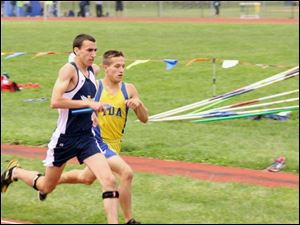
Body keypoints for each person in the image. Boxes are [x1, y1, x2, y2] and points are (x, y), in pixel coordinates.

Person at [1, 34, 120, 224]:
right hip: (65, 139)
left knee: (109, 180)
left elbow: (86, 99)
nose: (93, 54)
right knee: (47, 186)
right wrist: (90, 104)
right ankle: (15, 172)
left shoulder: (92, 71)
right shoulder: (68, 71)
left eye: (95, 50)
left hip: (87, 138)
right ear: (76, 51)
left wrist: (92, 112)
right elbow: (55, 102)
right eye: (89, 50)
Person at [45, 50, 148, 224]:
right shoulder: (95, 87)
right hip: (96, 141)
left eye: (123, 66)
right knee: (126, 173)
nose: (121, 70)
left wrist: (138, 105)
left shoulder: (129, 89)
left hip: (114, 144)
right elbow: (75, 102)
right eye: (116, 66)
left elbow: (144, 119)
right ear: (106, 68)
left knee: (86, 178)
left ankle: (48, 184)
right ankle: (129, 220)